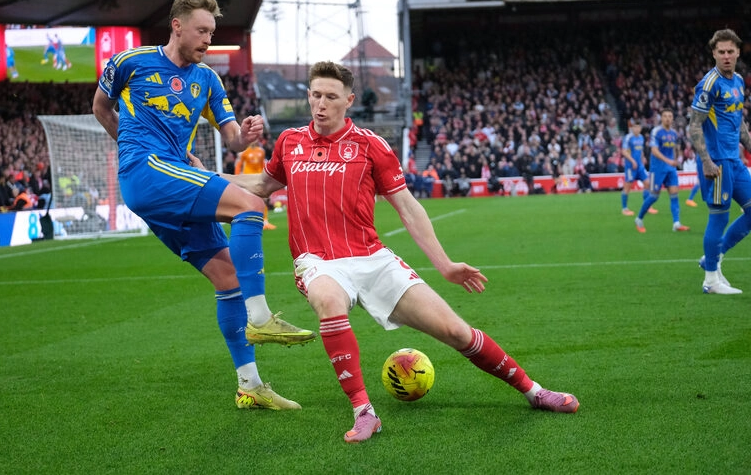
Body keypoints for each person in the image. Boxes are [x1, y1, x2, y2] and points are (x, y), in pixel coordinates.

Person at [227, 61, 579, 443]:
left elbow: (408, 206)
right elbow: (263, 184)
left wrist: (444, 265)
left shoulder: (370, 145)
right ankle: (364, 412)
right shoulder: (290, 142)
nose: (321, 104)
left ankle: (534, 391)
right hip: (318, 261)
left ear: (349, 99)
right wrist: (208, 178)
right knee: (328, 300)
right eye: (315, 95)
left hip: (371, 258)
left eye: (330, 96)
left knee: (456, 331)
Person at [92, 0, 315, 410]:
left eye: (212, 32)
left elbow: (230, 137)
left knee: (228, 278)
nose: (208, 40)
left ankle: (249, 385)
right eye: (201, 31)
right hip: (146, 170)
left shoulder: (207, 80)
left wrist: (244, 135)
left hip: (173, 176)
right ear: (177, 25)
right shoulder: (130, 62)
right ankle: (262, 318)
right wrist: (129, 146)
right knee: (251, 206)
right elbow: (101, 106)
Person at [689, 28, 751, 294]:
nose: (726, 56)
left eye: (730, 51)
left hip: (735, 162)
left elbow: (739, 122)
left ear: (737, 52)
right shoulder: (709, 83)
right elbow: (694, 126)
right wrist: (705, 161)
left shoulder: (738, 81)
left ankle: (712, 258)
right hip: (716, 163)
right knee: (718, 217)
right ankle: (711, 281)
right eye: (721, 52)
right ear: (714, 53)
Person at [634, 109, 690, 233]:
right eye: (665, 116)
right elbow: (654, 150)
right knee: (654, 196)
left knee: (674, 194)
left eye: (670, 116)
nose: (667, 118)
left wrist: (676, 159)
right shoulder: (656, 131)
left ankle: (676, 223)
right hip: (657, 169)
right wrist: (668, 161)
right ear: (661, 118)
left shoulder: (675, 133)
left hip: (670, 169)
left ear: (672, 119)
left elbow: (677, 148)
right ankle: (639, 218)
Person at [235, 140, 275, 230]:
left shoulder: (261, 151)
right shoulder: (243, 153)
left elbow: (262, 165)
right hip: (248, 178)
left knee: (263, 199)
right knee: (248, 199)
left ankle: (265, 221)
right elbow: (239, 165)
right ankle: (248, 220)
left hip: (258, 177)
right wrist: (237, 178)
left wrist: (265, 176)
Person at [620, 120, 657, 216]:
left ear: (640, 128)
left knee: (648, 184)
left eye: (638, 127)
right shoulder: (628, 138)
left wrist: (643, 157)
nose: (637, 129)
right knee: (627, 187)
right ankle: (624, 209)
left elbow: (640, 150)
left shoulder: (641, 138)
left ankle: (647, 206)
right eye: (635, 127)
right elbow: (624, 151)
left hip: (639, 166)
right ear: (632, 128)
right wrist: (632, 161)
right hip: (630, 167)